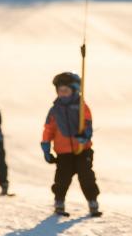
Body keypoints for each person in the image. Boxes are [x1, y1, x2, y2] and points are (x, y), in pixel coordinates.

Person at [41, 72, 101, 217]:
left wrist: (85, 136)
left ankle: (92, 201)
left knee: (87, 176)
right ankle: (59, 201)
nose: (63, 94)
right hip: (63, 152)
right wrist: (46, 145)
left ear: (75, 90)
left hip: (82, 150)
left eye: (66, 91)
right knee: (62, 178)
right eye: (60, 91)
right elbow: (48, 129)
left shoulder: (82, 107)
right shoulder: (55, 110)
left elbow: (88, 124)